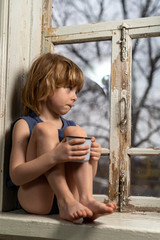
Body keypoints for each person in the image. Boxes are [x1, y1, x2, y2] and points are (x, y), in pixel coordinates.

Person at [9, 53, 116, 223]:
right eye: (69, 89)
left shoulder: (71, 127)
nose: (75, 97)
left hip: (76, 201)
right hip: (38, 199)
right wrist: (53, 157)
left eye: (76, 91)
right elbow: (16, 176)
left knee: (78, 132)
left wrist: (93, 158)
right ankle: (65, 200)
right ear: (46, 85)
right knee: (45, 130)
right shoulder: (25, 124)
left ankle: (86, 199)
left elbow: (84, 173)